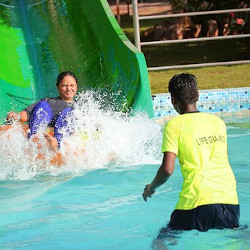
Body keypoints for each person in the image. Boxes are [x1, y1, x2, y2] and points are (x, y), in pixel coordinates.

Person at [143, 73, 239, 234]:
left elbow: (168, 169)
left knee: (163, 239)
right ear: (198, 95)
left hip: (195, 201)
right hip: (229, 200)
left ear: (173, 100)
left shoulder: (174, 125)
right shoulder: (218, 123)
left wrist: (151, 188)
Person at [6, 71, 78, 151]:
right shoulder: (48, 101)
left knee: (69, 112)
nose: (69, 89)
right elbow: (28, 114)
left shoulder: (81, 107)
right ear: (58, 87)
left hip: (61, 134)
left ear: (76, 86)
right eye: (65, 85)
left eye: (72, 85)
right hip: (44, 131)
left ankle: (56, 144)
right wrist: (16, 116)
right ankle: (34, 137)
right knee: (42, 105)